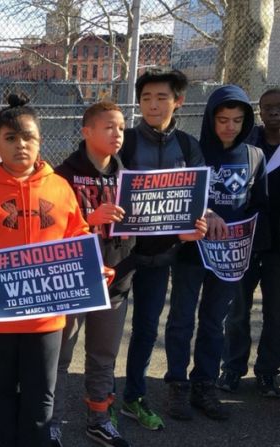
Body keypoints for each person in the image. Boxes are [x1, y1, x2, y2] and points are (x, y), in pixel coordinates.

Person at [0, 93, 91, 447]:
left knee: (41, 395)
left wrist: (93, 270)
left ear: (40, 140)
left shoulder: (60, 188)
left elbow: (78, 236)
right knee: (4, 390)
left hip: (47, 317)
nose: (20, 146)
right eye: (10, 138)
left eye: (28, 137)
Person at [163, 85, 267, 422]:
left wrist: (247, 244)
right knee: (181, 320)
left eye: (237, 120)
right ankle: (177, 384)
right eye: (222, 119)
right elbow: (179, 195)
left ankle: (204, 384)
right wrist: (204, 211)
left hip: (229, 259)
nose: (230, 127)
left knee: (214, 322)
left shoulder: (254, 156)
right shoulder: (193, 150)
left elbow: (257, 207)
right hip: (191, 253)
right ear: (210, 118)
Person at [119, 68, 207, 431]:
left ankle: (133, 397)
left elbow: (198, 200)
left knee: (145, 329)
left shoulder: (187, 146)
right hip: (121, 254)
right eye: (146, 99)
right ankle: (99, 399)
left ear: (178, 101)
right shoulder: (123, 141)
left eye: (161, 98)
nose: (153, 105)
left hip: (161, 258)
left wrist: (195, 226)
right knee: (102, 331)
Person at [50, 101, 135, 447]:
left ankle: (99, 419)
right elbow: (48, 232)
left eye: (121, 127)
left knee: (103, 357)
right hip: (74, 284)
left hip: (117, 280)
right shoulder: (62, 176)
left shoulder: (128, 174)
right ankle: (50, 421)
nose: (118, 134)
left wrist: (184, 231)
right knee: (59, 357)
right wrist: (89, 220)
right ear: (87, 132)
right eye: (109, 127)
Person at [218, 87, 280, 397]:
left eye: (278, 107)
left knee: (276, 311)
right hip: (245, 241)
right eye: (267, 107)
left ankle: (268, 371)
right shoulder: (246, 145)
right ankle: (231, 368)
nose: (273, 112)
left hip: (278, 245)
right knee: (238, 309)